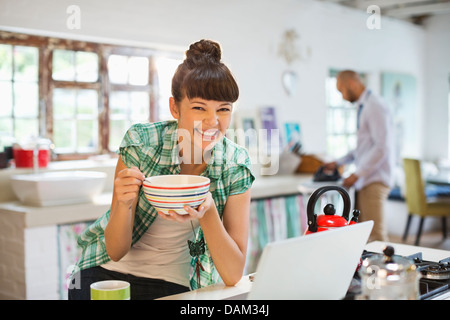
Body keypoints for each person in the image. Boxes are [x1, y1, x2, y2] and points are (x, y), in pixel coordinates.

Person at [68, 39, 255, 300]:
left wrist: (208, 212)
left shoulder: (235, 163)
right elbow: (115, 251)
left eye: (223, 110)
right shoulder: (142, 142)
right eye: (199, 108)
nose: (213, 122)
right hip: (105, 274)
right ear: (175, 108)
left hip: (175, 282)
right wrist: (122, 204)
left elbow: (233, 274)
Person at [324, 70, 395, 241]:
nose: (341, 96)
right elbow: (362, 148)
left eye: (341, 90)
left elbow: (381, 147)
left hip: (375, 179)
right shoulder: (364, 106)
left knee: (376, 237)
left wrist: (356, 174)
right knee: (363, 236)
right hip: (366, 180)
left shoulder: (375, 106)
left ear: (352, 84)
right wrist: (338, 162)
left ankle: (387, 268)